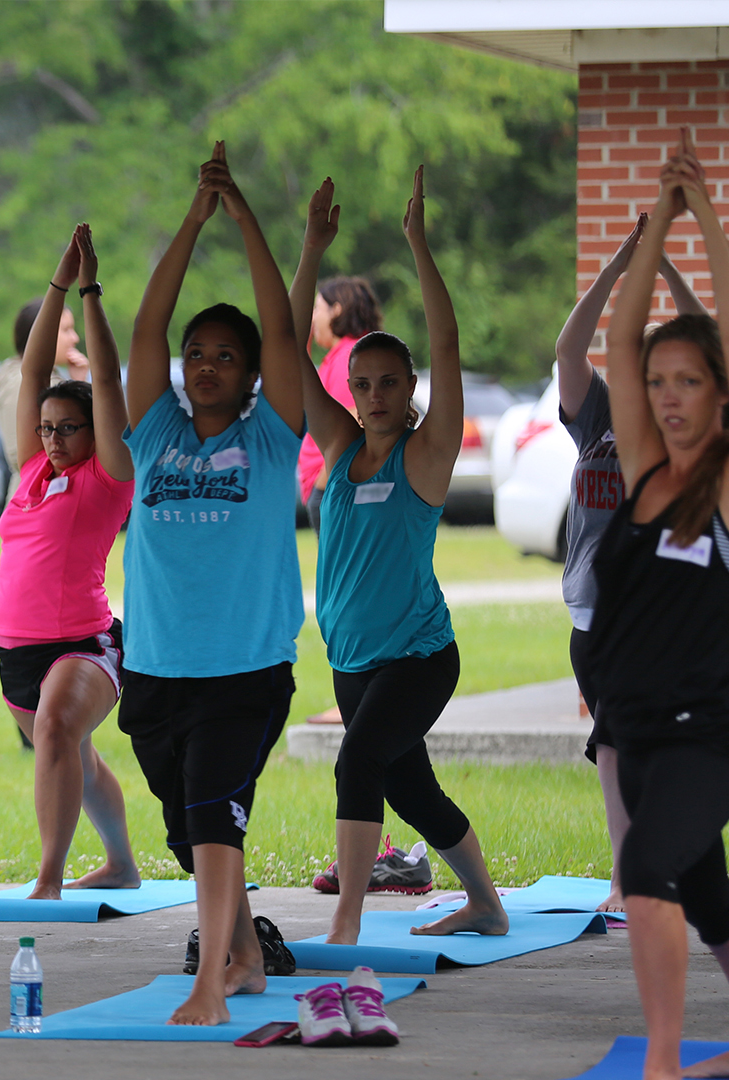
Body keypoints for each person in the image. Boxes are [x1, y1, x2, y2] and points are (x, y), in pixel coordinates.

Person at [290, 173, 510, 947]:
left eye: (389, 382)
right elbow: (284, 351)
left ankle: (345, 925)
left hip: (418, 655)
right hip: (351, 657)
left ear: (408, 386)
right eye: (363, 383)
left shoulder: (425, 458)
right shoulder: (341, 447)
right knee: (409, 788)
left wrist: (417, 242)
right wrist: (312, 248)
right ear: (348, 389)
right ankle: (486, 903)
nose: (375, 393)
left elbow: (447, 344)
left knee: (357, 767)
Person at [117, 142, 305, 1026]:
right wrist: (191, 223)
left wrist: (246, 224)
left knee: (212, 818)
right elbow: (145, 332)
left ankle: (211, 982)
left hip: (242, 671)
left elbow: (284, 333)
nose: (203, 364)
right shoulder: (153, 434)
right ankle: (243, 957)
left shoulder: (271, 439)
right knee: (187, 826)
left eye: (224, 355)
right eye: (198, 353)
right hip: (156, 671)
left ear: (251, 371)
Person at [589, 131, 729, 1080]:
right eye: (660, 383)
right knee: (707, 896)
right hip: (633, 728)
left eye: (691, 383)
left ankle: (666, 1066)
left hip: (709, 729)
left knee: (645, 872)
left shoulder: (723, 486)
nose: (670, 398)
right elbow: (618, 336)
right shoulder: (642, 472)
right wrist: (658, 228)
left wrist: (708, 217)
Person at [553, 211, 706, 914]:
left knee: (629, 748)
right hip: (595, 617)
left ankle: (647, 872)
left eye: (676, 375)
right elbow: (569, 349)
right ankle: (632, 875)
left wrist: (671, 267)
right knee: (614, 748)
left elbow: (714, 344)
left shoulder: (689, 436)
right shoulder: (600, 416)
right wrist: (619, 264)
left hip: (672, 621)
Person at [0, 223, 138, 899]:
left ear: (93, 431)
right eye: (45, 426)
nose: (51, 437)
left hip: (81, 643)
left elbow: (104, 378)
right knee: (74, 752)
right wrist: (53, 281)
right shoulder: (30, 470)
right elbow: (31, 369)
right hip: (16, 650)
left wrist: (87, 290)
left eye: (66, 427)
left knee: (55, 728)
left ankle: (48, 878)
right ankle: (121, 862)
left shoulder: (106, 477)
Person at [290, 274, 383, 530]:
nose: (313, 318)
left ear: (336, 310)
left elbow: (355, 420)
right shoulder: (345, 354)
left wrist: (324, 485)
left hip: (333, 485)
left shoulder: (347, 358)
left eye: (318, 308)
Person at [0, 293, 91, 462]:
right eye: (66, 330)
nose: (75, 338)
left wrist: (78, 384)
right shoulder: (20, 383)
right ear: (40, 336)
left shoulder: (47, 377)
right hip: (39, 486)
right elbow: (22, 456)